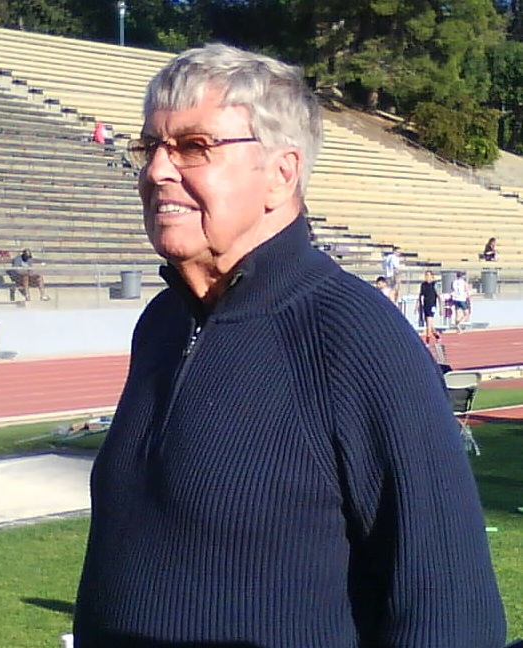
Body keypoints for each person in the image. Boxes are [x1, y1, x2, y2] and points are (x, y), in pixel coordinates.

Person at [74, 44, 506, 648]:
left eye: (194, 146)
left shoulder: (357, 336)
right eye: (152, 146)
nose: (156, 171)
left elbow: (448, 607)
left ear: (281, 173)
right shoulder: (162, 323)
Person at [417, 269, 442, 344]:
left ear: (432, 276)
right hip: (425, 305)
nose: (427, 277)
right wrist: (417, 306)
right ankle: (436, 335)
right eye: (426, 275)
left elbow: (439, 296)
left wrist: (441, 308)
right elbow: (420, 295)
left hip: (432, 306)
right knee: (429, 324)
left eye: (429, 275)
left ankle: (427, 341)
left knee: (428, 324)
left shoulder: (435, 285)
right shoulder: (423, 285)